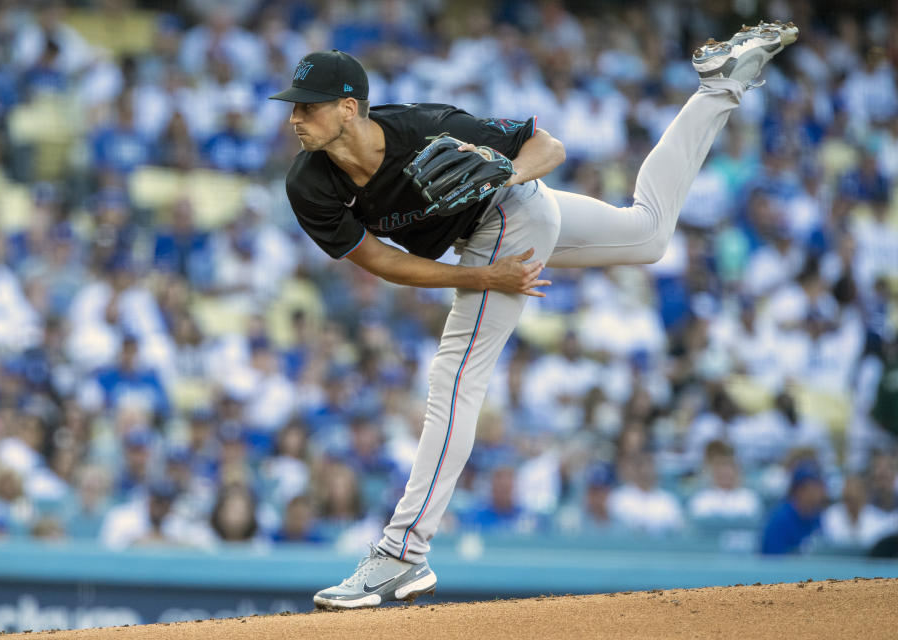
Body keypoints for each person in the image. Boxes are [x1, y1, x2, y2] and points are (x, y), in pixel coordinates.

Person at [269, 23, 799, 608]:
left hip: (512, 211)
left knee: (454, 378)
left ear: (349, 107)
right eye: (294, 108)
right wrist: (480, 277)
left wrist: (502, 173)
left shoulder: (424, 127)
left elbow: (550, 149)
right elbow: (377, 260)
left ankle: (402, 555)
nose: (295, 118)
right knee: (647, 235)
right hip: (495, 239)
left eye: (308, 107)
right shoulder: (308, 182)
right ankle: (720, 88)